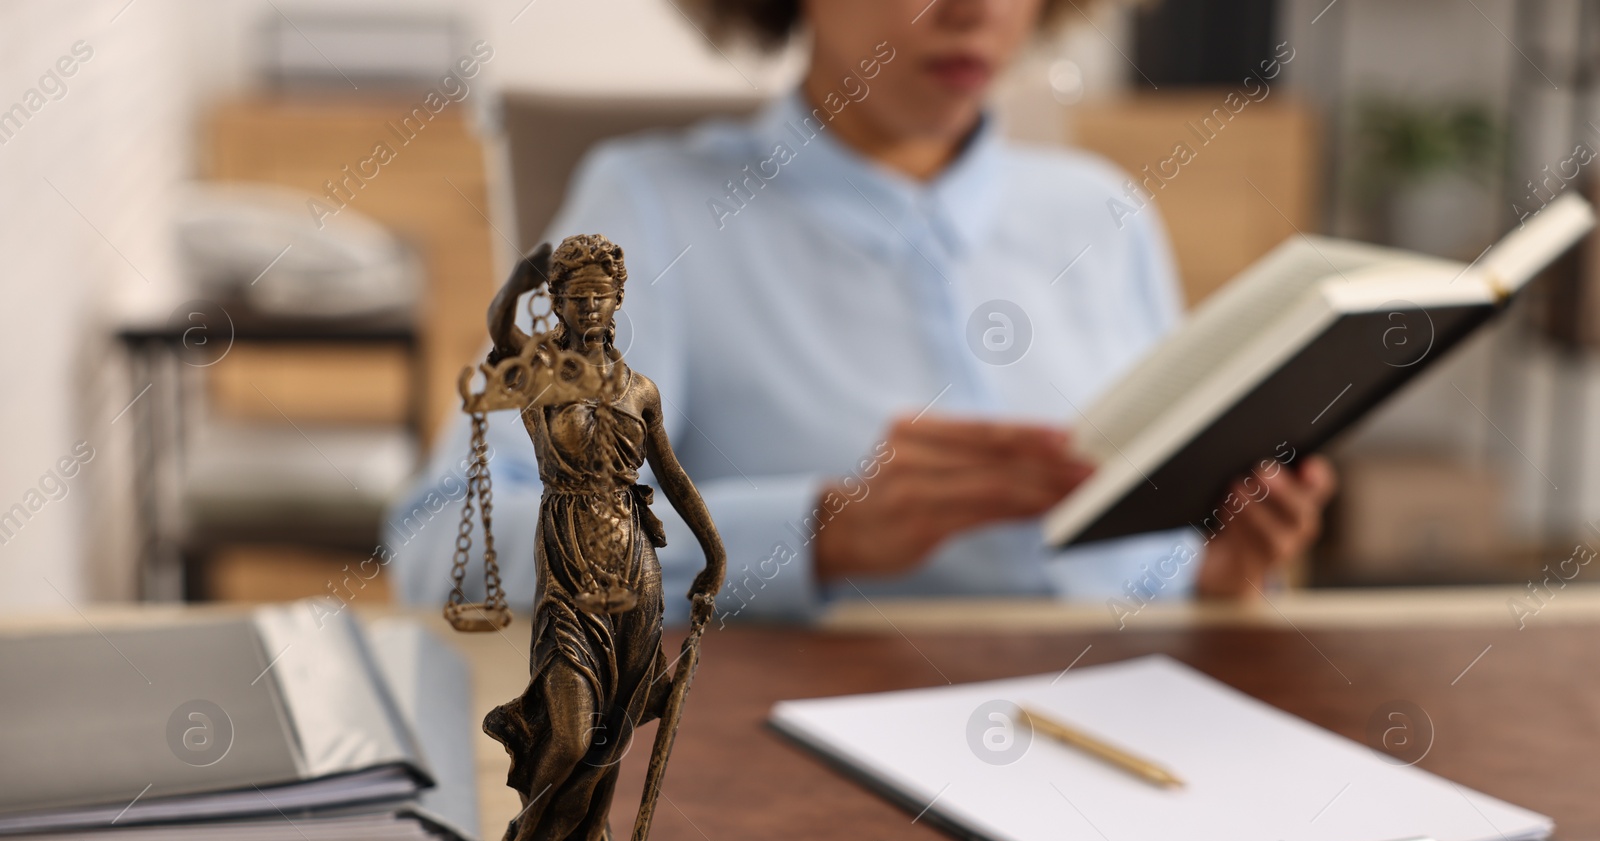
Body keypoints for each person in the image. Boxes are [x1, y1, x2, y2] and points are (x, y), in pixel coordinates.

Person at [389, 0, 1336, 624]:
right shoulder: (651, 210)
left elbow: (1159, 569)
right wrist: (817, 531)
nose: (973, 11)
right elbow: (449, 545)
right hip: (820, 774)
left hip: (1141, 734)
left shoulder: (1106, 213)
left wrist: (1224, 578)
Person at [460, 234, 724, 841]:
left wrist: (715, 554)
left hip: (636, 571)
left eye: (599, 297)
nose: (588, 309)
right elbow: (497, 330)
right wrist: (518, 276)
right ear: (559, 305)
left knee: (610, 736)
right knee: (573, 733)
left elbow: (672, 477)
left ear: (617, 300)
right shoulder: (543, 374)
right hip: (568, 568)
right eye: (573, 299)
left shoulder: (641, 391)